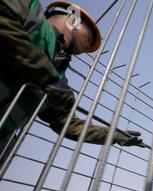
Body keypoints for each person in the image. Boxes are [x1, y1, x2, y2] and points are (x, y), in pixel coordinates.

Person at [0, 1, 143, 158]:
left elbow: (65, 121)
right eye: (89, 38)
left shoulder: (59, 75)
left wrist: (112, 135)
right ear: (73, 19)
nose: (88, 48)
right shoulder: (29, 9)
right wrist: (46, 77)